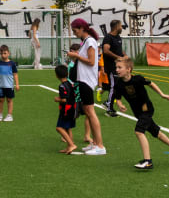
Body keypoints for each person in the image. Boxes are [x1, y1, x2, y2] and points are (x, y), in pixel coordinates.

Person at [115, 57, 169, 170]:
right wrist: (120, 105)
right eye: (116, 67)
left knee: (139, 132)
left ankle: (148, 161)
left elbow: (151, 84)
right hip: (137, 112)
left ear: (128, 69)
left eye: (120, 67)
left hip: (146, 109)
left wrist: (162, 94)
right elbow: (117, 97)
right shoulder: (118, 83)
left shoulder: (138, 79)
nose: (117, 70)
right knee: (155, 132)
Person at [67, 19, 106, 155]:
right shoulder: (86, 42)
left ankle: (100, 145)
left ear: (82, 28)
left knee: (90, 112)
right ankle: (94, 143)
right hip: (83, 80)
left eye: (75, 30)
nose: (74, 33)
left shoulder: (90, 42)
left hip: (87, 81)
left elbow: (91, 61)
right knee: (88, 112)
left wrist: (75, 56)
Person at [100, 20, 128, 116]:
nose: (122, 27)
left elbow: (119, 50)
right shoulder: (108, 37)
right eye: (120, 26)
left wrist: (125, 56)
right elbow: (106, 51)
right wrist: (118, 58)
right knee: (114, 87)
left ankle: (107, 102)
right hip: (111, 67)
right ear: (116, 27)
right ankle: (109, 109)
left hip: (118, 66)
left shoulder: (118, 37)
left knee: (118, 86)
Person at [53, 63, 79, 154]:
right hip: (73, 109)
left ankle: (71, 144)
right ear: (67, 74)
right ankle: (69, 147)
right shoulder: (70, 84)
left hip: (66, 111)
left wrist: (57, 99)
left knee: (59, 128)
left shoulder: (62, 86)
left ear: (56, 75)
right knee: (68, 128)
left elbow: (64, 100)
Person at [0, 44, 19, 122]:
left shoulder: (12, 64)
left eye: (5, 53)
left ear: (8, 53)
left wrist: (17, 84)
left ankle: (9, 115)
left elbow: (15, 75)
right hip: (1, 86)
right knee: (1, 100)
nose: (3, 55)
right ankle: (0, 114)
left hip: (9, 86)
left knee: (9, 100)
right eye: (1, 53)